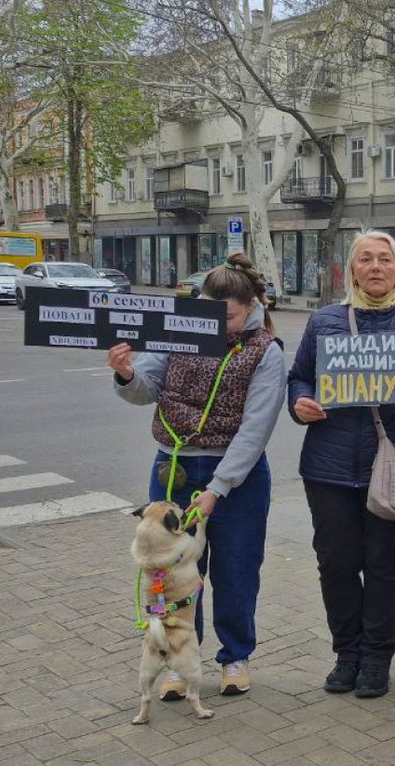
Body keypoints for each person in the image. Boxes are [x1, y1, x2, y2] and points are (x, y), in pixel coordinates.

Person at [286, 231, 395, 698]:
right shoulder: (324, 322)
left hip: (394, 462)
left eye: (385, 260)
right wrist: (300, 402)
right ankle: (348, 654)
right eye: (366, 259)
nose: (376, 267)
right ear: (352, 270)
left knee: (382, 562)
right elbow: (299, 377)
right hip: (329, 466)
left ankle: (378, 658)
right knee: (336, 563)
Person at [108, 253, 284, 700]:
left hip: (235, 476)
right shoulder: (178, 330)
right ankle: (176, 661)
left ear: (249, 308)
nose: (212, 322)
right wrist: (126, 373)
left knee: (237, 569)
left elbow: (256, 428)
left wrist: (218, 488)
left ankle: (236, 658)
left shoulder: (265, 350)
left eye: (224, 316)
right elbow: (146, 388)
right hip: (175, 467)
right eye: (205, 310)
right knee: (172, 574)